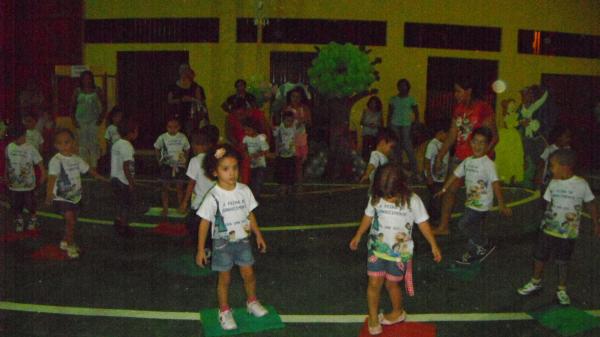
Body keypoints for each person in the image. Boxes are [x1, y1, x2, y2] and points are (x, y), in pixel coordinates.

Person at [349, 163, 442, 335]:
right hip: (377, 249)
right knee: (374, 283)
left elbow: (423, 223)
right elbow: (368, 216)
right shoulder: (376, 197)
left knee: (392, 284)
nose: (388, 198)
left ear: (402, 186)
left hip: (400, 253)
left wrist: (433, 244)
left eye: (391, 195)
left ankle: (397, 312)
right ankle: (374, 317)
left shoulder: (413, 200)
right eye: (385, 195)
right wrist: (358, 234)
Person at [196, 144, 268, 331]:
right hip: (222, 245)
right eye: (225, 169)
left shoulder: (244, 190)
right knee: (225, 279)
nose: (232, 173)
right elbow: (204, 223)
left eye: (235, 168)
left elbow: (250, 215)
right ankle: (224, 311)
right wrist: (200, 249)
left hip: (243, 241)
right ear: (214, 172)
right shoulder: (213, 196)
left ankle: (252, 302)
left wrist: (258, 235)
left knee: (249, 275)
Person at [517, 149, 597, 305]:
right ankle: (536, 281)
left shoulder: (581, 184)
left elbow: (591, 204)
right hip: (548, 229)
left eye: (552, 166)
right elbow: (547, 203)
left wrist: (596, 223)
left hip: (568, 233)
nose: (550, 169)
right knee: (539, 256)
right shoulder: (553, 183)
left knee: (563, 261)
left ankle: (561, 288)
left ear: (565, 166)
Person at [435, 127, 511, 264]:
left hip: (482, 204)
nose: (478, 146)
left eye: (482, 143)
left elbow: (495, 183)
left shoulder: (488, 164)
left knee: (463, 224)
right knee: (473, 227)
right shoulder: (468, 161)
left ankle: (482, 244)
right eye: (475, 142)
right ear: (470, 143)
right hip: (471, 202)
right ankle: (474, 250)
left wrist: (501, 203)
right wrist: (444, 189)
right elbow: (455, 175)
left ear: (488, 146)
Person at [433, 79, 497, 235]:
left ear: (469, 91)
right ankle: (444, 227)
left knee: (478, 195)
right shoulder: (458, 109)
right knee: (449, 190)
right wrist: (440, 156)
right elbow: (452, 135)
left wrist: (481, 157)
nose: (455, 95)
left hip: (478, 161)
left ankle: (480, 232)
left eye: (458, 91)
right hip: (460, 157)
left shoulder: (483, 108)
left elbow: (494, 137)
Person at [45, 129, 108, 258]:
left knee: (73, 220)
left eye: (67, 142)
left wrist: (99, 176)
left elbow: (88, 169)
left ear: (73, 143)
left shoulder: (76, 159)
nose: (64, 146)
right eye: (60, 143)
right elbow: (51, 178)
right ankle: (70, 244)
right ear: (56, 145)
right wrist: (49, 194)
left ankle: (65, 239)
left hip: (76, 197)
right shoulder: (56, 160)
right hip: (63, 198)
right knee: (71, 221)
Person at [179, 125, 219, 250]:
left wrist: (184, 202)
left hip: (200, 203)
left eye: (196, 144)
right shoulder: (216, 159)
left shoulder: (195, 161)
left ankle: (202, 248)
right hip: (216, 201)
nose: (194, 147)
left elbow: (192, 183)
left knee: (195, 225)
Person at [5, 123, 46, 232]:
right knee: (15, 204)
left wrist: (43, 174)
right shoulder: (9, 147)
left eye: (24, 135)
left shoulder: (30, 148)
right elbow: (7, 162)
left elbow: (39, 161)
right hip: (14, 184)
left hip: (28, 184)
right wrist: (5, 176)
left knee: (30, 203)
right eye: (21, 136)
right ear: (14, 137)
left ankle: (33, 218)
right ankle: (19, 219)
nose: (24, 138)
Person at [517, 85, 559, 187]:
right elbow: (516, 120)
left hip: (540, 141)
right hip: (526, 140)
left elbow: (549, 125)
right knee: (526, 165)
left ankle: (537, 190)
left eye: (527, 94)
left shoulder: (547, 106)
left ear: (534, 95)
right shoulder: (524, 106)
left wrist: (533, 124)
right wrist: (521, 122)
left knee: (540, 167)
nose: (524, 97)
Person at [154, 117, 190, 217]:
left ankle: (180, 206)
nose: (172, 129)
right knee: (164, 187)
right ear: (166, 127)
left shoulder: (182, 137)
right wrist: (159, 161)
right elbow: (157, 148)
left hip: (179, 165)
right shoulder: (162, 137)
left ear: (179, 127)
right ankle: (165, 208)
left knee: (180, 187)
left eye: (175, 127)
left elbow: (187, 149)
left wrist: (185, 160)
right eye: (170, 127)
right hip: (166, 165)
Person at [71, 70, 105, 171]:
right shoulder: (77, 91)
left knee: (93, 142)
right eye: (85, 78)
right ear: (81, 80)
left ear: (92, 79)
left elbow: (104, 104)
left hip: (94, 120)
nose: (87, 80)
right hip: (80, 120)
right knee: (82, 143)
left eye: (89, 78)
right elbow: (72, 107)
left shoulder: (97, 90)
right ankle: (84, 167)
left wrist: (101, 118)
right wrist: (73, 119)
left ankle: (94, 167)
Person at [110, 120, 138, 238]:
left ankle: (118, 221)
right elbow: (126, 166)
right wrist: (131, 182)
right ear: (131, 133)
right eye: (136, 131)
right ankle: (124, 227)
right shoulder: (127, 146)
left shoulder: (117, 143)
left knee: (120, 203)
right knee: (126, 204)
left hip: (115, 178)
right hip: (123, 180)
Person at [388, 79, 419, 178]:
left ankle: (415, 170)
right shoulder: (393, 99)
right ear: (398, 87)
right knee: (396, 147)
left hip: (406, 124)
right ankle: (398, 170)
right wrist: (388, 125)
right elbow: (390, 113)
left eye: (405, 85)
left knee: (407, 145)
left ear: (408, 87)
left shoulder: (411, 99)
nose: (403, 87)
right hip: (394, 124)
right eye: (401, 85)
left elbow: (416, 113)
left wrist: (415, 124)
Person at [283, 87, 312, 190]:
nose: (295, 99)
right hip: (289, 138)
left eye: (298, 97)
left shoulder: (304, 108)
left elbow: (309, 122)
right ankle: (289, 182)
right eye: (293, 96)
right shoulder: (287, 108)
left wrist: (302, 120)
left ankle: (299, 182)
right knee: (289, 160)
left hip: (301, 137)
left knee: (299, 161)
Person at [167, 64, 208, 134]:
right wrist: (181, 100)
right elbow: (169, 101)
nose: (184, 72)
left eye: (186, 70)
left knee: (190, 133)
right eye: (182, 70)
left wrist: (191, 99)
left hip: (191, 116)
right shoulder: (173, 86)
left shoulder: (196, 87)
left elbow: (201, 102)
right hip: (177, 115)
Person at [273, 110, 304, 196]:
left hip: (292, 155)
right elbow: (277, 139)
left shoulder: (294, 127)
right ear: (283, 120)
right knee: (282, 171)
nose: (289, 123)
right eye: (287, 121)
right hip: (282, 155)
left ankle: (290, 187)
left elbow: (301, 123)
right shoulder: (280, 128)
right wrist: (276, 151)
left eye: (291, 121)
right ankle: (283, 187)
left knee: (291, 171)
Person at [424, 121, 449, 223]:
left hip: (440, 177)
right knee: (434, 199)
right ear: (441, 133)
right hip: (433, 178)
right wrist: (429, 177)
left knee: (437, 198)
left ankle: (434, 216)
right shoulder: (433, 144)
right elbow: (427, 161)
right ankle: (432, 218)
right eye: (447, 134)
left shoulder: (445, 144)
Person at [494, 99, 524, 184]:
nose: (513, 107)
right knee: (505, 155)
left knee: (515, 155)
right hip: (506, 137)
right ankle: (505, 176)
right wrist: (519, 122)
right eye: (511, 105)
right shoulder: (506, 115)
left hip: (513, 136)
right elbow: (509, 124)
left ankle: (512, 176)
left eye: (513, 106)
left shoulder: (514, 114)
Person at [360, 129, 397, 194]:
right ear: (382, 143)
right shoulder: (375, 154)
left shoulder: (384, 157)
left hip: (382, 190)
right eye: (391, 147)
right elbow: (372, 165)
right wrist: (367, 174)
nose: (391, 150)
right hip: (376, 191)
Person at [536, 125, 572, 190]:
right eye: (567, 137)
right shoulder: (550, 149)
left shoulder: (568, 150)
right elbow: (541, 162)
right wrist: (539, 176)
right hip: (549, 178)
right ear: (558, 137)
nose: (569, 139)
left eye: (569, 137)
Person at [242, 118, 269, 198]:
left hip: (260, 164)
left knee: (258, 181)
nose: (246, 132)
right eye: (245, 130)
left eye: (248, 130)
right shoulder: (246, 138)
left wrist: (257, 154)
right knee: (251, 181)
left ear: (254, 129)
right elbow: (244, 147)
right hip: (250, 164)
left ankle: (256, 196)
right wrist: (246, 154)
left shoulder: (260, 138)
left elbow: (265, 150)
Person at [360, 96, 384, 161]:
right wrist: (368, 124)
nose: (372, 104)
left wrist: (376, 125)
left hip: (374, 134)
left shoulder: (379, 113)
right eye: (371, 102)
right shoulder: (365, 111)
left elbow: (381, 124)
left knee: (373, 151)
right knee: (365, 150)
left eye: (374, 103)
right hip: (366, 133)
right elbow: (361, 122)